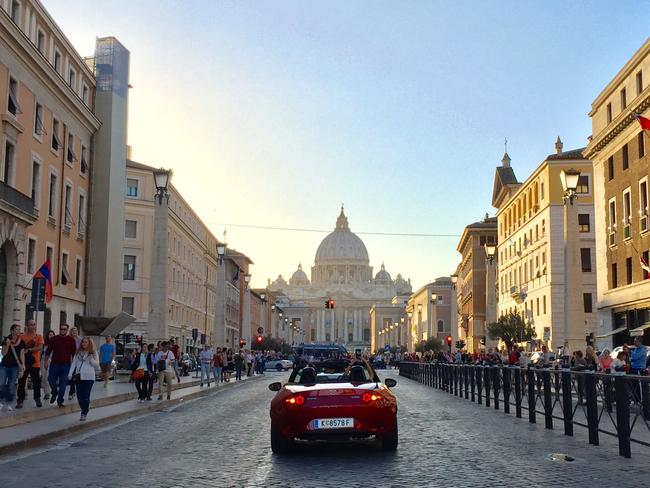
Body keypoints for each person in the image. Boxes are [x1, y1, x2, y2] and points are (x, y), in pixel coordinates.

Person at [67, 337, 99, 421]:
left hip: (89, 377)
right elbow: (74, 363)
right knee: (79, 397)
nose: (84, 343)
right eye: (83, 342)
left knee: (86, 396)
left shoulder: (93, 352)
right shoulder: (78, 353)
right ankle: (85, 408)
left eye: (86, 342)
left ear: (89, 343)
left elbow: (96, 365)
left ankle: (84, 413)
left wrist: (91, 359)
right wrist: (70, 373)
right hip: (79, 376)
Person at [47, 323, 77, 407]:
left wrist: (74, 366)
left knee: (63, 384)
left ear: (67, 330)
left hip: (66, 365)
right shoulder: (54, 339)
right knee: (50, 380)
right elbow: (48, 351)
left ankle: (60, 400)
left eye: (64, 329)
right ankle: (54, 392)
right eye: (61, 329)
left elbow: (74, 354)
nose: (63, 330)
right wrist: (46, 361)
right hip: (54, 364)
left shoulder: (71, 340)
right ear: (59, 329)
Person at [17, 319, 44, 409]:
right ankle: (20, 400)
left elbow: (40, 347)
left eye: (34, 324)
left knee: (36, 382)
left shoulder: (39, 336)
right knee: (21, 382)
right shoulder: (22, 337)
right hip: (24, 362)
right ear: (27, 326)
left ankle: (37, 398)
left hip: (35, 363)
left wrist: (29, 350)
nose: (33, 326)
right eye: (31, 324)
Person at [0, 324, 25, 411]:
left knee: (11, 385)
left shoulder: (21, 341)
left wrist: (23, 365)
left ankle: (8, 403)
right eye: (17, 329)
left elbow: (22, 354)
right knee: (1, 383)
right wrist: (7, 344)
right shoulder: (6, 340)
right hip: (4, 366)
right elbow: (3, 354)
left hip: (15, 367)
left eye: (19, 329)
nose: (18, 331)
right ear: (12, 331)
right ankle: (1, 402)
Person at [41, 330, 56, 401]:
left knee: (50, 378)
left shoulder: (57, 344)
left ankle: (53, 390)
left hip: (53, 362)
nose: (51, 336)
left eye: (53, 335)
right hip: (44, 362)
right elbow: (41, 354)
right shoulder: (44, 345)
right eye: (50, 334)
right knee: (44, 378)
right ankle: (46, 393)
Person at [67, 327, 81, 401]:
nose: (75, 332)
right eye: (73, 331)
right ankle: (73, 392)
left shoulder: (80, 339)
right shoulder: (68, 339)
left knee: (74, 376)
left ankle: (71, 393)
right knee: (71, 376)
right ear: (70, 332)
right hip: (69, 360)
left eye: (76, 331)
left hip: (77, 360)